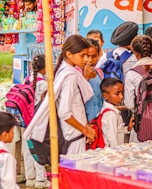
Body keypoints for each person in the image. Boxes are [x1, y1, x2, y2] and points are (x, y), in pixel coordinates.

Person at [24, 35, 96, 155]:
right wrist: (85, 129)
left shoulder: (65, 70)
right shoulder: (70, 76)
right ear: (69, 54)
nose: (86, 60)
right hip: (73, 137)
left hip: (71, 135)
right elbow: (64, 112)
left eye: (87, 55)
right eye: (82, 55)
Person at [22, 55, 50, 188]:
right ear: (45, 68)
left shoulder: (26, 79)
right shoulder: (43, 84)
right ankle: (40, 179)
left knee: (27, 150)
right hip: (37, 120)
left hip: (24, 119)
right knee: (38, 149)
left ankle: (30, 178)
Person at [100, 78, 134, 147]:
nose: (121, 97)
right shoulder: (111, 115)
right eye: (117, 94)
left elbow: (117, 131)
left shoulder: (107, 110)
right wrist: (117, 154)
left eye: (122, 92)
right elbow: (112, 140)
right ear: (105, 96)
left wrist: (127, 128)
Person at [84, 39, 104, 122]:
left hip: (99, 120)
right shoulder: (76, 73)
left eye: (94, 56)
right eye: (87, 56)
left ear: (99, 55)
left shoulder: (99, 73)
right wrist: (86, 78)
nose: (90, 60)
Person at [0, 112, 20, 189]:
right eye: (12, 130)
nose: (13, 133)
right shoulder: (6, 157)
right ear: (4, 135)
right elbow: (9, 186)